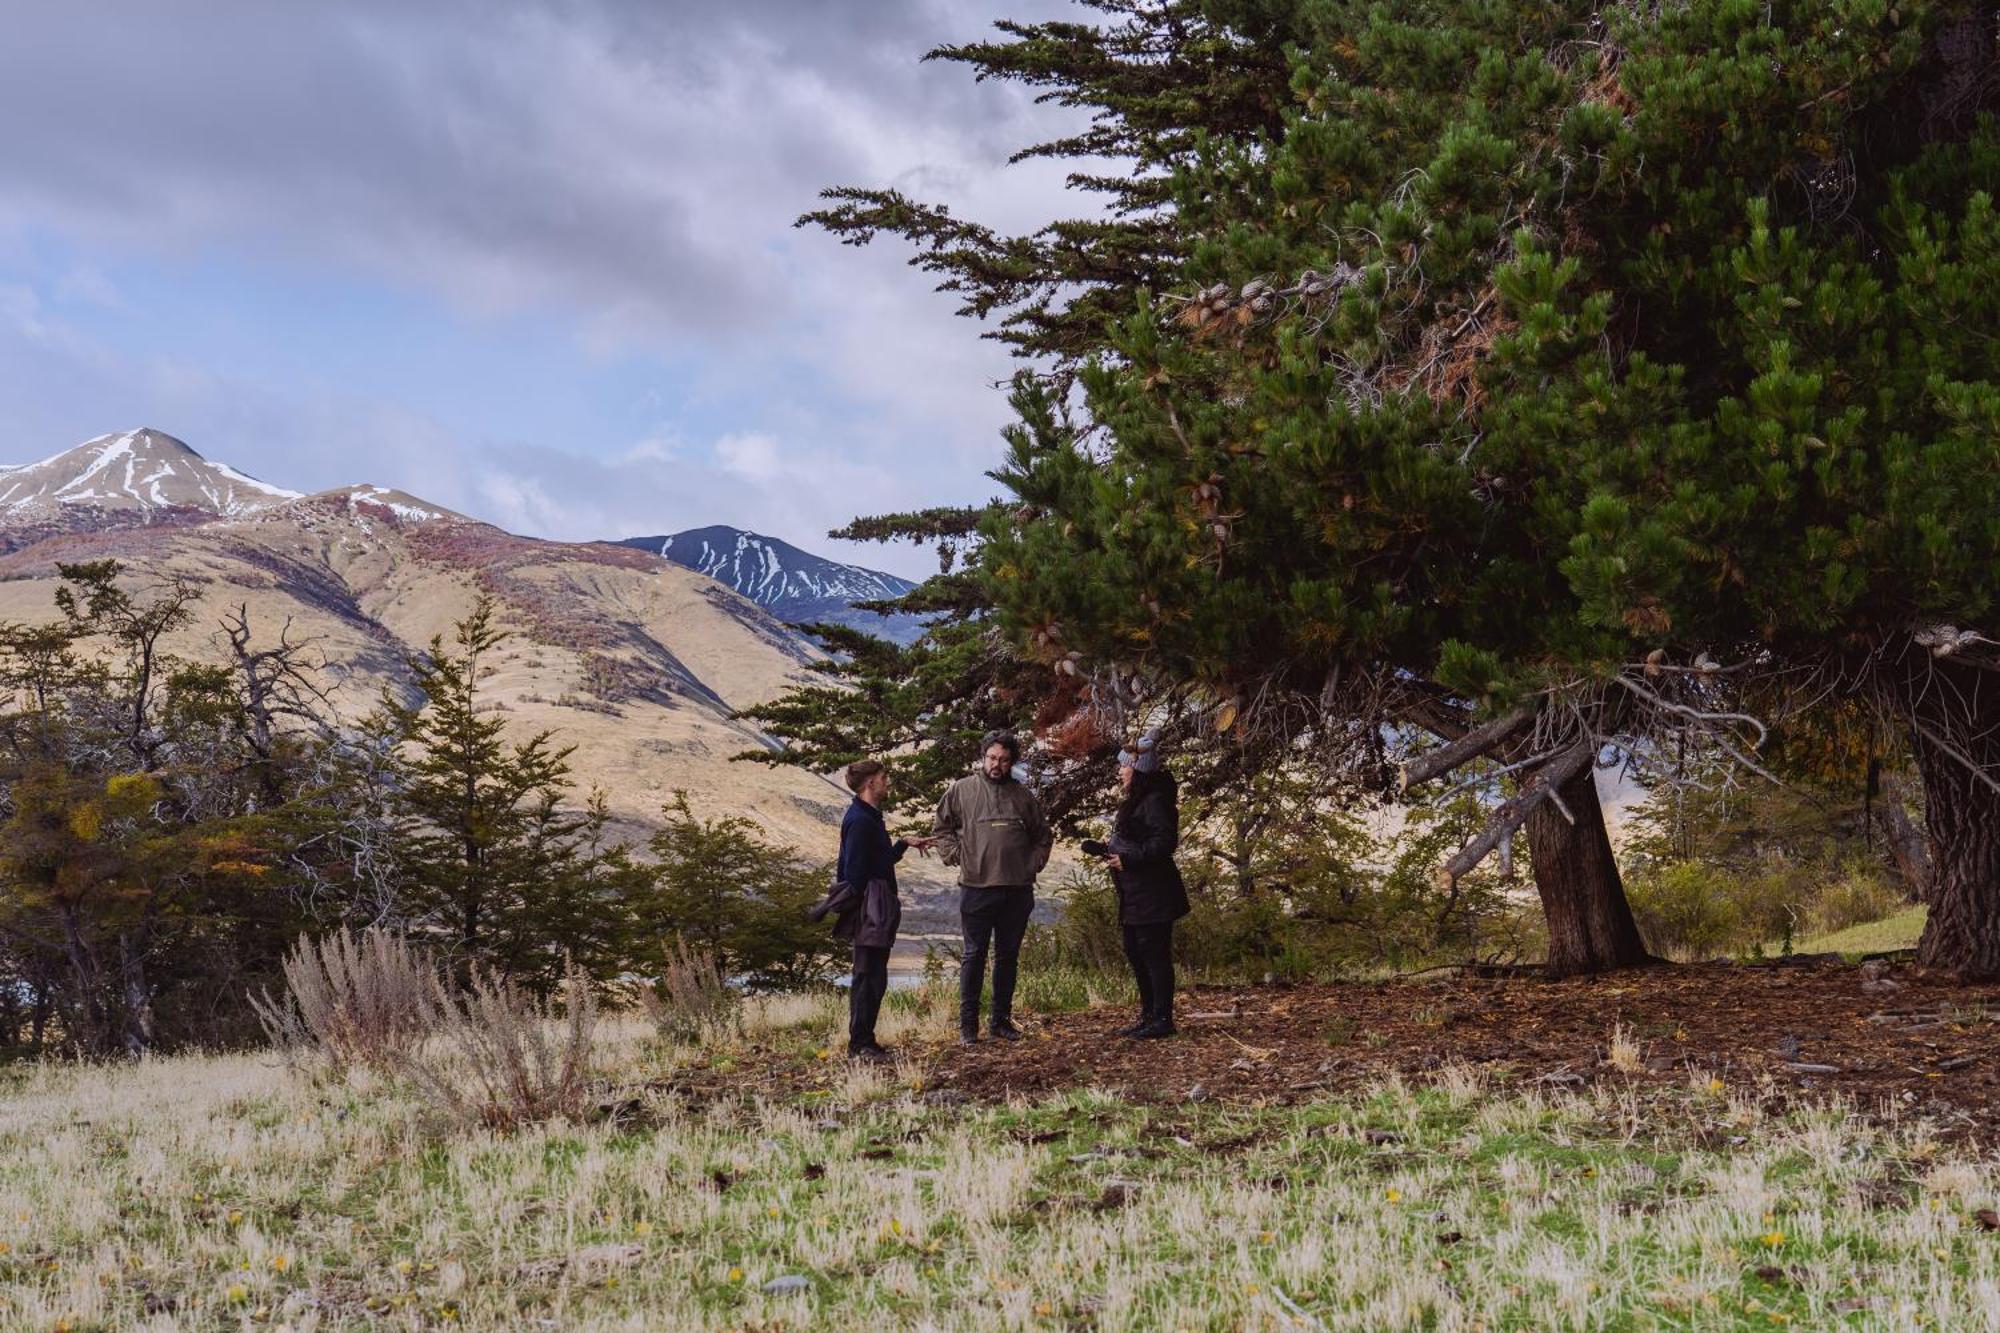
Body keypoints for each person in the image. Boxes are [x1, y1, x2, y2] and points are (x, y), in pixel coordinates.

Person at [932, 730, 1052, 1044]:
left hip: (1017, 890)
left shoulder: (1022, 795)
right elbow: (941, 827)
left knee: (1008, 956)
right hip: (976, 887)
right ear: (983, 757)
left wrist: (1033, 863)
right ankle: (968, 1028)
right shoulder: (962, 790)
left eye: (1003, 760)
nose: (996, 764)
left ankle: (1000, 1021)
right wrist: (955, 855)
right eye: (992, 758)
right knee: (974, 955)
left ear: (1012, 762)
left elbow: (1043, 836)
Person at [1083, 731, 1188, 1039]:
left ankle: (1162, 1020)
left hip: (1153, 892)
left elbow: (1165, 842)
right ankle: (1149, 1015)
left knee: (1153, 954)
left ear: (1138, 769)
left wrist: (1130, 859)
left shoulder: (1154, 801)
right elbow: (1142, 837)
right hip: (1136, 894)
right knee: (1136, 950)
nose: (1120, 772)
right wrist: (1114, 846)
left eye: (1124, 766)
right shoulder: (1140, 800)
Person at [834, 758, 934, 1061]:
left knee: (875, 975)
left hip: (875, 909)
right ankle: (860, 1044)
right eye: (883, 777)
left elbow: (878, 862)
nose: (887, 781)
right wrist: (865, 909)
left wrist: (903, 844)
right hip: (870, 912)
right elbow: (853, 874)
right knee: (868, 975)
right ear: (869, 784)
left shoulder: (871, 817)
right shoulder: (860, 821)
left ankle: (865, 1040)